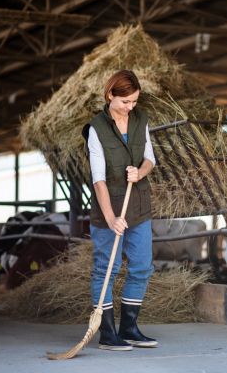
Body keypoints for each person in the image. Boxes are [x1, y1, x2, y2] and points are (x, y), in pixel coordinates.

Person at [81, 70, 156, 351]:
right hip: (108, 208)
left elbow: (150, 158)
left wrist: (140, 172)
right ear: (110, 95)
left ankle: (129, 328)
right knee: (106, 268)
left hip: (138, 204)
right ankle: (108, 332)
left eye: (135, 101)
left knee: (141, 266)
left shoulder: (141, 120)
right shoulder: (96, 129)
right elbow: (98, 178)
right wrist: (111, 218)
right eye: (125, 101)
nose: (131, 107)